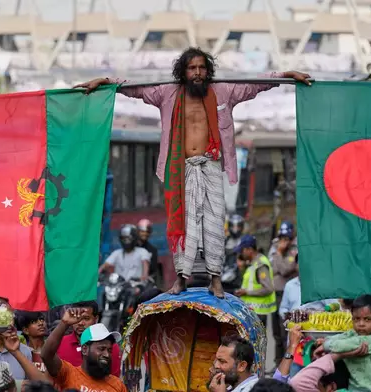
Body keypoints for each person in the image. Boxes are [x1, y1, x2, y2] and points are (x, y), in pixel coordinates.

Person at [75, 47, 310, 298]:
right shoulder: (166, 93)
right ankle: (181, 279)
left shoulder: (223, 91)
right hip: (181, 169)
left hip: (210, 165)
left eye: (202, 68)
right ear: (183, 72)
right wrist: (106, 81)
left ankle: (216, 280)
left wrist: (285, 74)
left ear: (208, 70)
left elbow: (255, 84)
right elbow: (135, 88)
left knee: (214, 224)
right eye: (192, 68)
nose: (198, 73)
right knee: (183, 225)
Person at [42, 307, 127, 392]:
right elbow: (46, 355)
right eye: (102, 349)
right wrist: (64, 323)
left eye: (109, 350)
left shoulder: (118, 385)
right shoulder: (69, 373)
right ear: (85, 349)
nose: (107, 354)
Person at [315, 295, 371, 392]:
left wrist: (325, 346)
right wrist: (325, 340)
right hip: (353, 387)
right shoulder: (353, 333)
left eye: (367, 319)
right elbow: (343, 336)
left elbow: (347, 344)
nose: (361, 324)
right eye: (356, 319)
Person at [55, 301, 121, 377]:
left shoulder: (110, 347)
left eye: (86, 318)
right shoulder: (59, 343)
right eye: (76, 318)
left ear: (96, 319)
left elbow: (114, 381)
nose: (80, 323)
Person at [269, 222, 298, 363]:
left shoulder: (295, 249)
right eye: (282, 237)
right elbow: (272, 269)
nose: (283, 241)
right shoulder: (274, 246)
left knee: (284, 329)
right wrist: (279, 258)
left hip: (286, 293)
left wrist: (279, 253)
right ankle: (276, 362)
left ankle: (285, 362)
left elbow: (285, 269)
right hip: (274, 293)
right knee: (275, 332)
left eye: (286, 238)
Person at [233, 235, 276, 328]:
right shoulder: (253, 263)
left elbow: (268, 288)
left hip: (258, 313)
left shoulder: (260, 265)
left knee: (256, 341)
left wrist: (246, 292)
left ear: (250, 249)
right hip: (252, 312)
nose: (241, 253)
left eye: (242, 250)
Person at [278, 254, 337, 318]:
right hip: (293, 324)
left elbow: (334, 306)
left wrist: (318, 313)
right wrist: (288, 316)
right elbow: (283, 308)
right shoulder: (289, 285)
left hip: (314, 325)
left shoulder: (321, 285)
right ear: (296, 265)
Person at [136, 218, 161, 286]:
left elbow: (153, 270)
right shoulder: (131, 247)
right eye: (142, 231)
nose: (145, 234)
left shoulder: (152, 250)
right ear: (138, 231)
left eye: (147, 231)